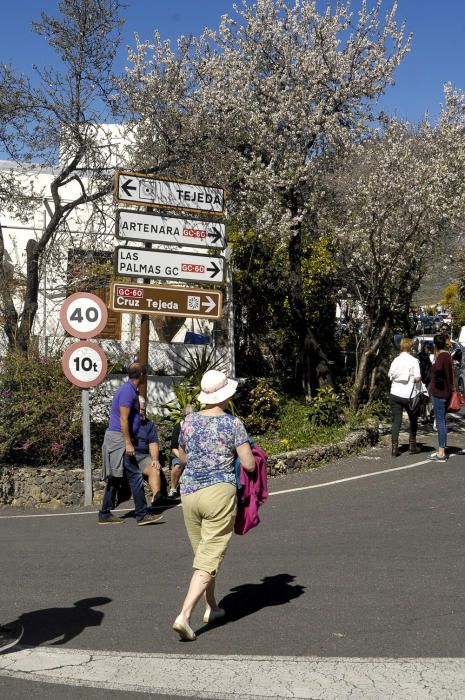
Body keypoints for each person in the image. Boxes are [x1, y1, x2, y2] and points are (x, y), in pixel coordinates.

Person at [172, 370, 256, 641]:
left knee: (203, 555)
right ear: (226, 394)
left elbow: (183, 455)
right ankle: (184, 615)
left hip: (190, 492)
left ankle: (212, 607)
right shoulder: (233, 424)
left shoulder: (188, 422)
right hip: (219, 493)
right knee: (208, 559)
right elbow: (248, 464)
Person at [98, 362, 162, 526]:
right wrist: (128, 443)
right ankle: (141, 514)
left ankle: (105, 513)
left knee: (115, 478)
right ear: (141, 375)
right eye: (145, 374)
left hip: (118, 438)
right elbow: (123, 418)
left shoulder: (128, 390)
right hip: (119, 439)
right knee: (134, 475)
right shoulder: (128, 392)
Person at [388, 337, 422, 457]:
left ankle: (394, 448)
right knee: (413, 419)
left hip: (395, 393)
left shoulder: (395, 360)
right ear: (411, 347)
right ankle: (412, 445)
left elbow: (390, 375)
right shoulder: (413, 360)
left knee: (396, 420)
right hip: (409, 395)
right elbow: (418, 377)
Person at [429, 334, 454, 462]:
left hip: (439, 393)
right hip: (446, 392)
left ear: (435, 345)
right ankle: (442, 448)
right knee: (441, 421)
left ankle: (441, 452)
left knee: (440, 422)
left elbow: (437, 370)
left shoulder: (441, 357)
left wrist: (432, 367)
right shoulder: (448, 356)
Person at [135, 396, 163, 508]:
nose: (142, 411)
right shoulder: (125, 421)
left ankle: (157, 497)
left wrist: (155, 459)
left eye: (143, 409)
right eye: (140, 409)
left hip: (143, 456)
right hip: (128, 455)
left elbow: (153, 443)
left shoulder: (148, 424)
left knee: (155, 468)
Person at [168, 405, 195, 499]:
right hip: (179, 453)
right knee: (177, 466)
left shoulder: (198, 426)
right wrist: (183, 457)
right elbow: (173, 447)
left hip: (193, 454)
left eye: (192, 415)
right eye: (188, 415)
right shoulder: (178, 427)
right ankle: (173, 488)